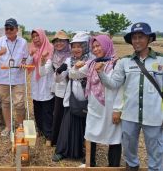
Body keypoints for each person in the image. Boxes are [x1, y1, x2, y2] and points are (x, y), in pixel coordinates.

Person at [97, 23, 163, 171]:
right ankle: (132, 166)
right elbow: (114, 84)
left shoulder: (160, 61)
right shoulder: (124, 62)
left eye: (141, 37)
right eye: (134, 38)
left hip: (154, 116)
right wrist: (101, 73)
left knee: (156, 151)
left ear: (149, 39)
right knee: (128, 148)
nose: (137, 41)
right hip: (129, 115)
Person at [70, 35, 122, 167]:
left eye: (99, 45)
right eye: (93, 47)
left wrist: (118, 109)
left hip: (110, 108)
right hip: (94, 106)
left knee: (114, 138)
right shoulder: (92, 63)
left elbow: (120, 88)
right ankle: (90, 163)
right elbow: (73, 75)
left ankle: (113, 166)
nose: (96, 49)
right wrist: (76, 67)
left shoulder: (117, 64)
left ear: (107, 45)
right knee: (90, 134)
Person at [52, 32, 92, 162]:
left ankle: (85, 154)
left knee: (86, 127)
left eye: (79, 46)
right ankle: (62, 151)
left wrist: (71, 70)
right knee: (67, 124)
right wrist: (58, 71)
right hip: (72, 98)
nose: (76, 49)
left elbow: (77, 74)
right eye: (73, 46)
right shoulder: (69, 60)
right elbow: (59, 80)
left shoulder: (90, 60)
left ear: (85, 46)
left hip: (87, 99)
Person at [0, 18, 29, 137]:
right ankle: (8, 126)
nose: (9, 30)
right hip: (3, 78)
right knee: (5, 103)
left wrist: (23, 61)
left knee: (20, 103)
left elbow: (25, 57)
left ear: (17, 29)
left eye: (11, 28)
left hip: (18, 77)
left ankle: (20, 126)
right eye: (7, 28)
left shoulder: (23, 42)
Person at [40, 30, 71, 146]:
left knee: (70, 117)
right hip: (59, 90)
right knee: (58, 116)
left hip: (73, 90)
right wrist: (42, 63)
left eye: (62, 41)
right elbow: (43, 72)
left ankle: (70, 141)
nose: (59, 43)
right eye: (56, 41)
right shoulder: (53, 56)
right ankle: (58, 140)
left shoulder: (72, 55)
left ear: (67, 42)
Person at [27, 28, 54, 145]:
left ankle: (49, 135)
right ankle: (40, 130)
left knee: (47, 110)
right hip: (36, 82)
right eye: (33, 37)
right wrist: (30, 55)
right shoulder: (33, 49)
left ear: (42, 37)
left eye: (37, 36)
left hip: (46, 82)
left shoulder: (50, 49)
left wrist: (42, 61)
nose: (35, 39)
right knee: (37, 108)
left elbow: (47, 69)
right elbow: (28, 64)